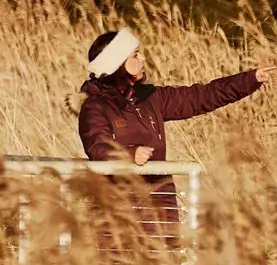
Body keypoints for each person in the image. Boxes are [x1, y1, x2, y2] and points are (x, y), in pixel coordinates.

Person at [75, 27, 265, 230]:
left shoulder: (151, 97)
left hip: (160, 210)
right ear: (118, 63)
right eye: (135, 55)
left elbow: (201, 96)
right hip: (120, 216)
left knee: (166, 261)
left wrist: (250, 80)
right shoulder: (95, 106)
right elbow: (97, 147)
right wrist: (130, 155)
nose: (143, 59)